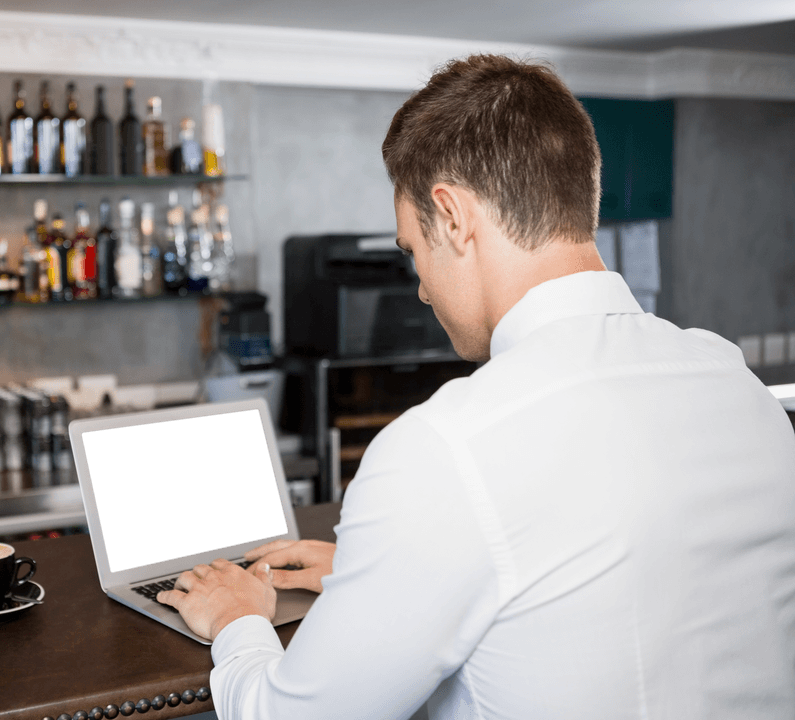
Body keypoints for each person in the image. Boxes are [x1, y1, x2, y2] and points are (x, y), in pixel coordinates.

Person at [158, 54, 795, 719]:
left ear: (454, 216)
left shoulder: (442, 449)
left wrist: (238, 621)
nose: (422, 287)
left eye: (413, 251)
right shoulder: (737, 385)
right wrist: (394, 567)